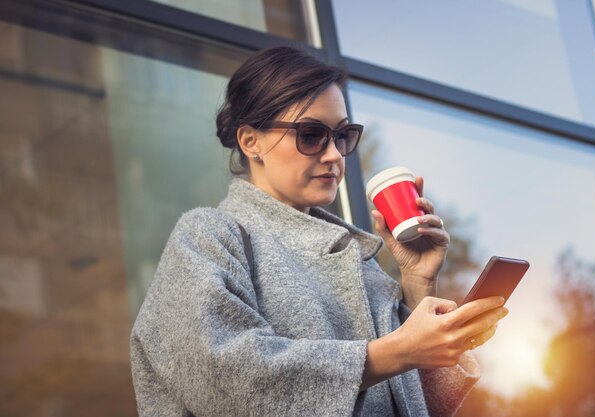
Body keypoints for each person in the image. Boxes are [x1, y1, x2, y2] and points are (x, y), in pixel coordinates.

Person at [130, 46, 508, 417]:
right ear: (251, 141)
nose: (334, 155)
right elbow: (223, 380)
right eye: (311, 135)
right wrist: (397, 351)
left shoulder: (362, 266)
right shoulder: (209, 236)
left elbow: (418, 406)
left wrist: (417, 282)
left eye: (342, 135)